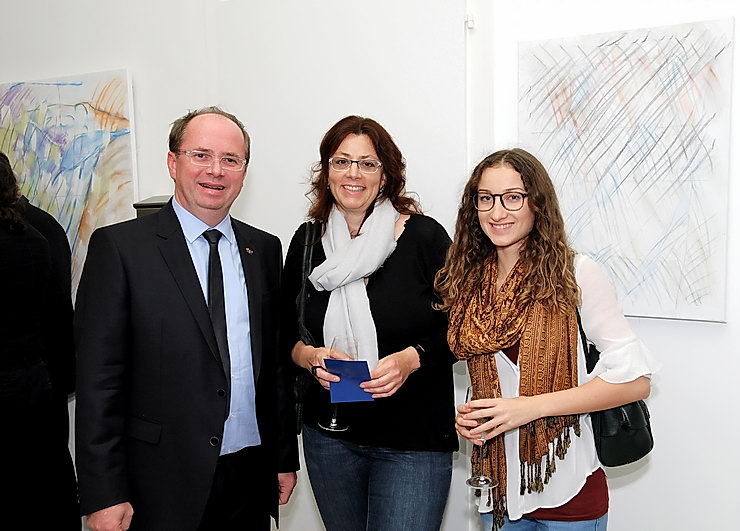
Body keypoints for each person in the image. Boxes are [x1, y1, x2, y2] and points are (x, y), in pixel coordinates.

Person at [74, 107, 299, 531]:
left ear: (244, 172)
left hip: (250, 475)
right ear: (173, 162)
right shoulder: (120, 250)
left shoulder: (264, 249)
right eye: (201, 155)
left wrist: (283, 457)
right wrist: (103, 492)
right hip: (159, 483)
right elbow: (99, 382)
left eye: (230, 159)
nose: (216, 170)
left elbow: (273, 366)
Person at [436, 148, 659, 530]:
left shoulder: (576, 274)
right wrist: (473, 416)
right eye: (485, 198)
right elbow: (496, 377)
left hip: (568, 489)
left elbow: (636, 382)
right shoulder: (469, 280)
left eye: (512, 197)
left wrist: (529, 408)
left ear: (537, 203)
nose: (497, 212)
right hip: (498, 491)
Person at [281, 115, 457, 530]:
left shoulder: (424, 238)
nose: (353, 174)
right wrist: (309, 357)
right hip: (330, 437)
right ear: (326, 171)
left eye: (367, 163)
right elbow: (283, 333)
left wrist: (412, 359)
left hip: (412, 442)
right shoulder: (307, 241)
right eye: (342, 162)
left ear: (386, 175)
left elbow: (465, 328)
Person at [0, 152, 80, 529]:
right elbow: (59, 315)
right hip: (37, 388)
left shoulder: (35, 232)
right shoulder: (36, 234)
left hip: (24, 388)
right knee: (46, 493)